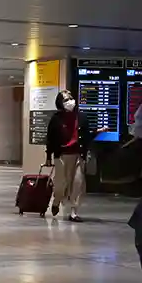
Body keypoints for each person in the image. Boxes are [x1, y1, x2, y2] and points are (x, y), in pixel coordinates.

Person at [45, 89, 93, 222]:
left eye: (70, 98)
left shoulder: (81, 117)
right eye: (66, 100)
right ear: (60, 103)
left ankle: (73, 212)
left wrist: (96, 133)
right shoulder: (56, 119)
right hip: (62, 156)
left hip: (78, 155)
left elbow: (86, 136)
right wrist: (48, 156)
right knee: (61, 184)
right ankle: (56, 201)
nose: (70, 101)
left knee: (78, 183)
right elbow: (50, 139)